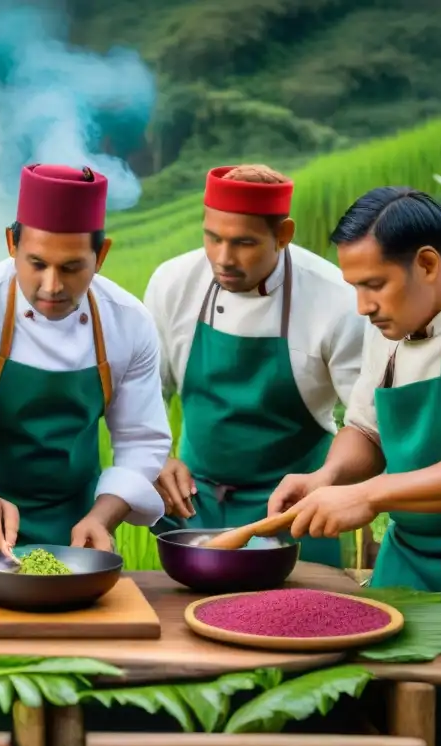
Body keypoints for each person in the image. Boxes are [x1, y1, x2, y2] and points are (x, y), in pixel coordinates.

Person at [268, 186, 441, 746]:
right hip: (408, 566)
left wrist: (369, 495)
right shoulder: (390, 329)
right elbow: (367, 431)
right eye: (354, 288)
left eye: (373, 285)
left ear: (426, 263)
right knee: (389, 728)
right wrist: (328, 476)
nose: (362, 307)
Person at [0, 163, 172, 572]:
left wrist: (103, 517)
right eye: (36, 264)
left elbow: (141, 440)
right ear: (12, 244)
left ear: (101, 255)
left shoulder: (128, 322)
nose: (51, 286)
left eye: (71, 267)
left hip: (75, 528)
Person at [144, 164, 365, 566]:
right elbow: (146, 388)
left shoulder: (336, 301)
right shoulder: (173, 282)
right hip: (193, 508)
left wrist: (329, 481)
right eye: (212, 238)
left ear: (283, 235)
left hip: (295, 511)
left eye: (244, 243)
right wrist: (156, 456)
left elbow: (367, 422)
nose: (223, 258)